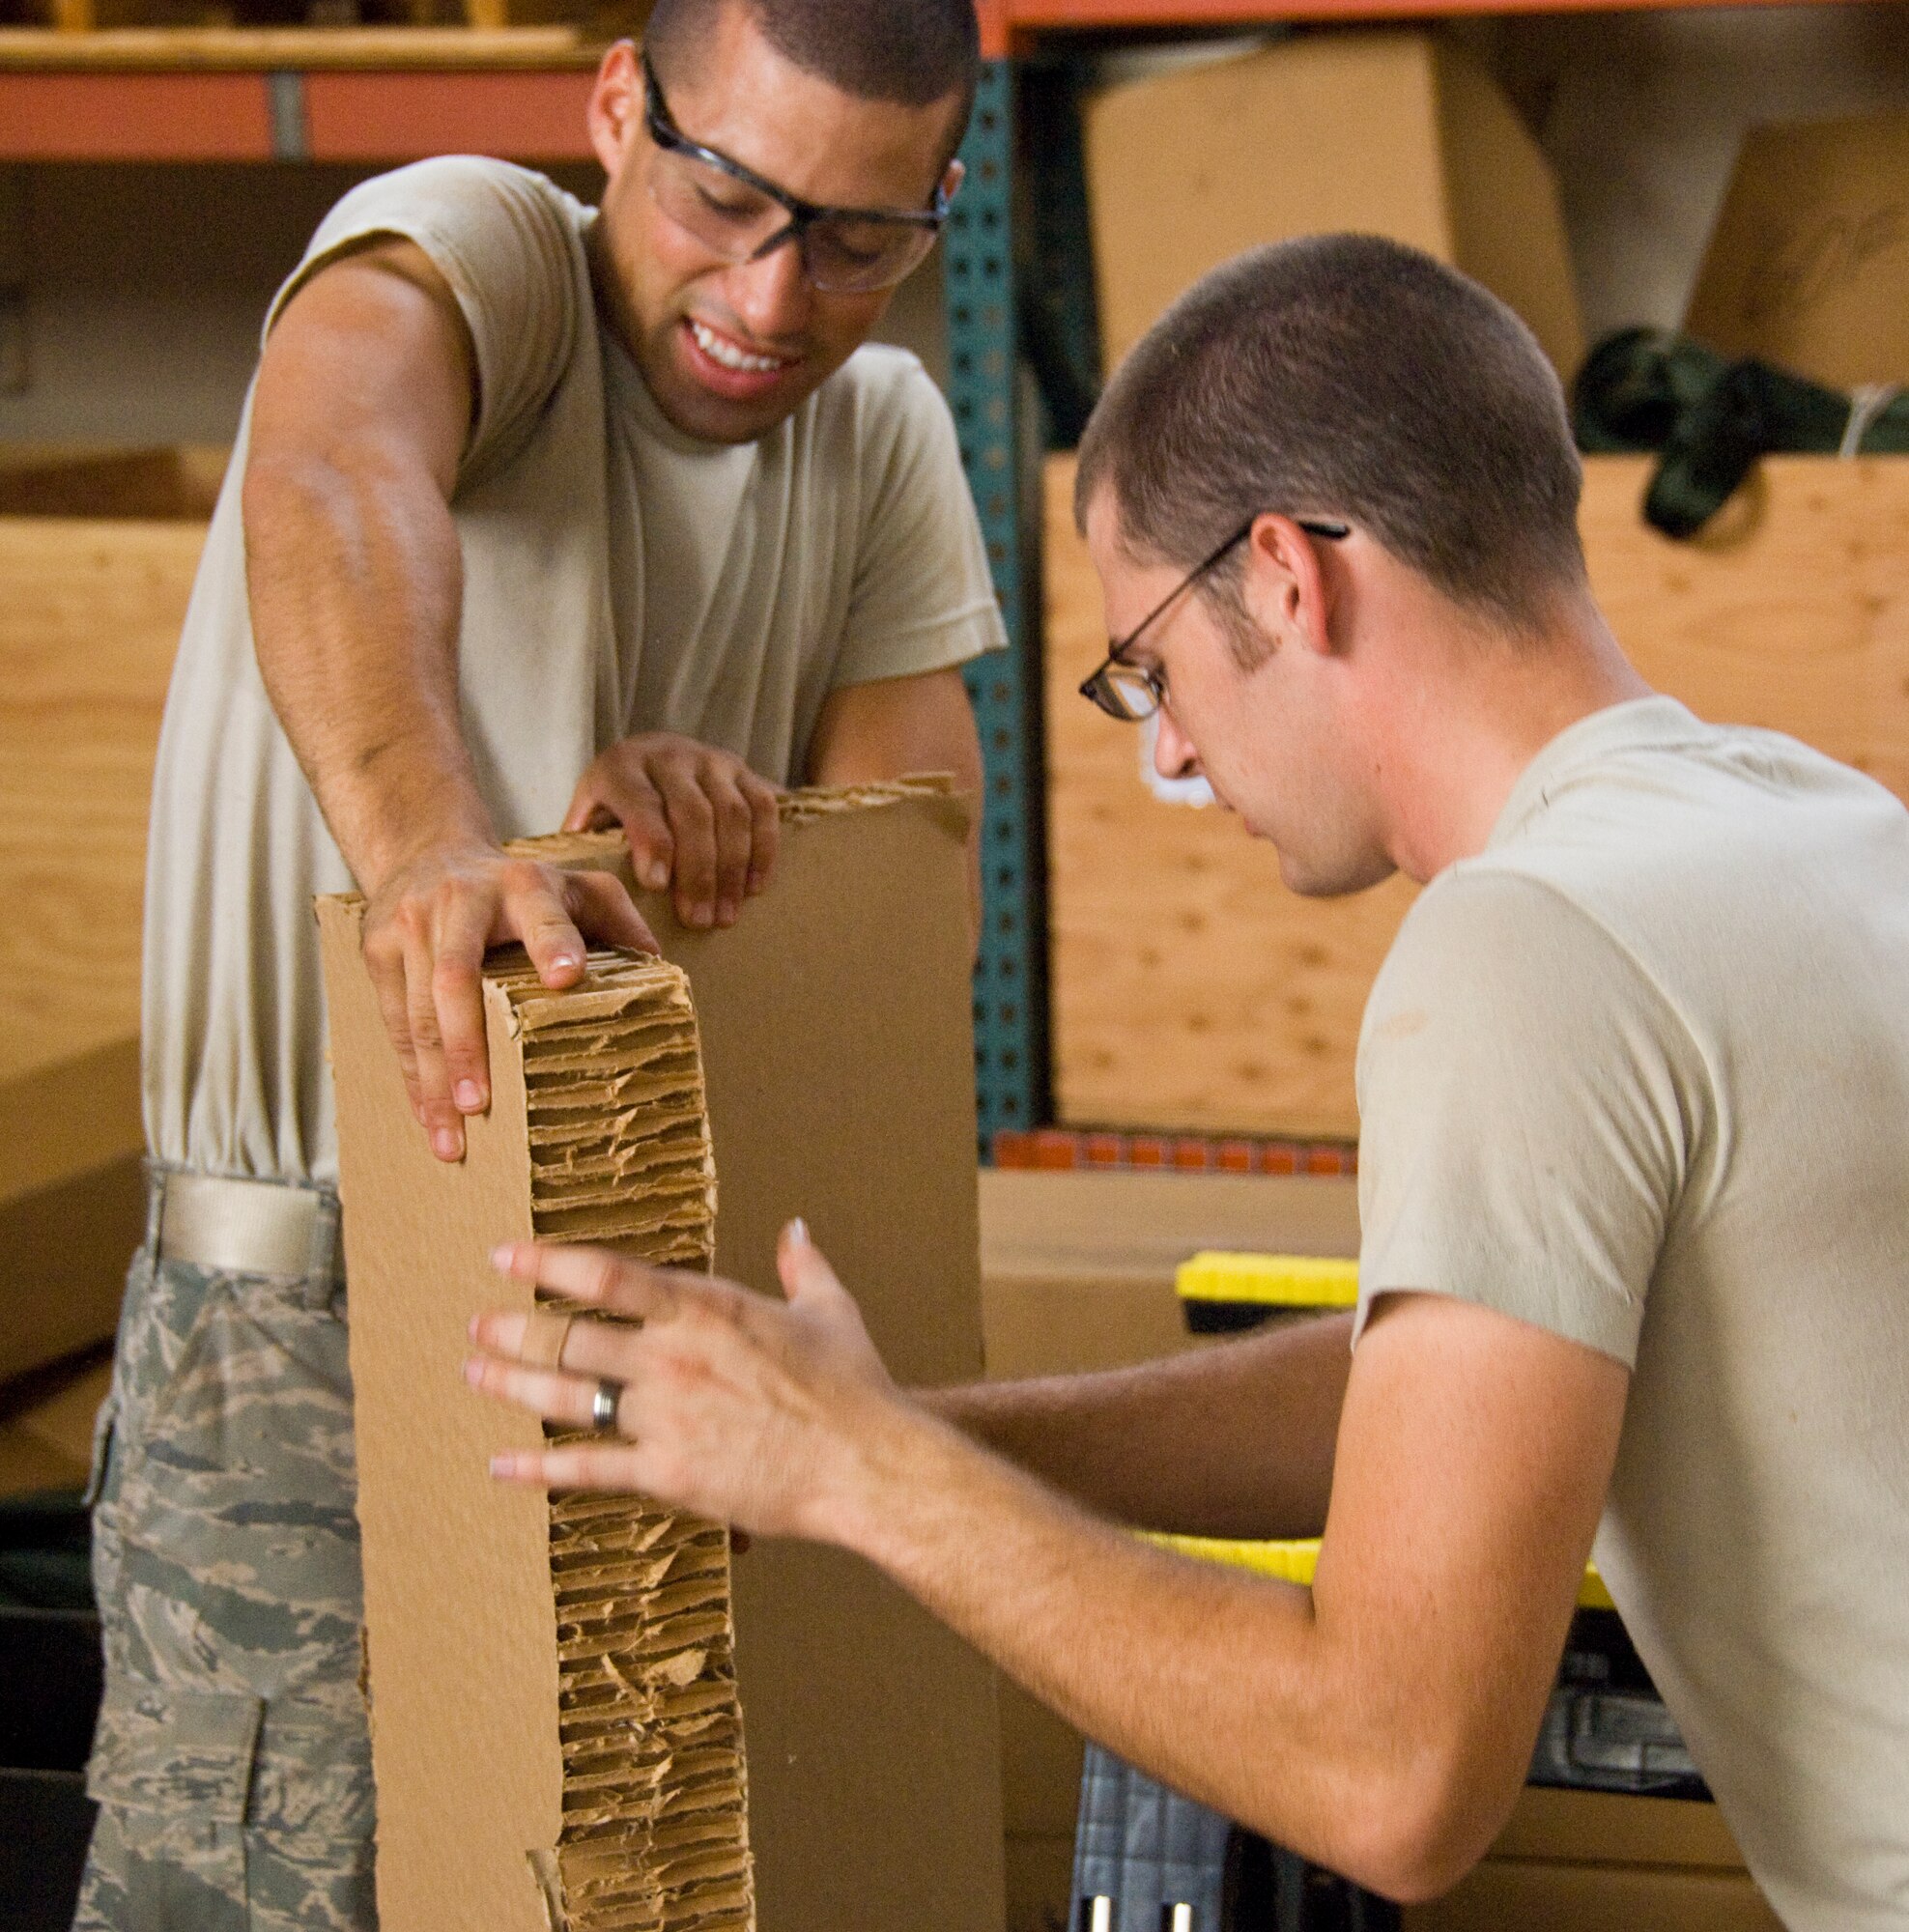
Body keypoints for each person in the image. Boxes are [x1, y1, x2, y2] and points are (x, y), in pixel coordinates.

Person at [468, 236, 1909, 1929]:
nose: (1168, 751)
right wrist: (889, 1434)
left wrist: (863, 1477)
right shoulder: (1818, 828)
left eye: (1150, 666)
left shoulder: (1532, 949)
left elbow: (1396, 1780)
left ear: (1289, 580)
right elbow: (1467, 1396)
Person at [80, 0, 999, 1919]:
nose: (770, 289)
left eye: (858, 235)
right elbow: (334, 475)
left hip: (669, 1341)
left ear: (935, 205)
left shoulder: (887, 437)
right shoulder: (481, 254)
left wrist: (715, 833)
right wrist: (432, 835)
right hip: (310, 1336)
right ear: (613, 107)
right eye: (726, 192)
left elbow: (907, 900)